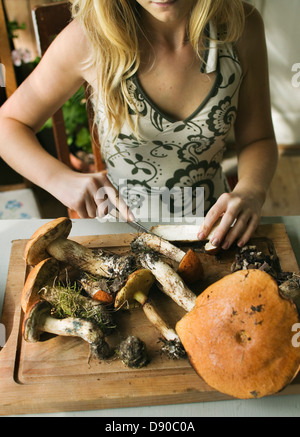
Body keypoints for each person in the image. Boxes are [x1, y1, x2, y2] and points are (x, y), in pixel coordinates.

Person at [0, 0, 278, 250]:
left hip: (213, 230)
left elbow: (258, 139)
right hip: (118, 237)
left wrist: (251, 190)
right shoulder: (88, 39)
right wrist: (59, 179)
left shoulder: (242, 27)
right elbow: (7, 124)